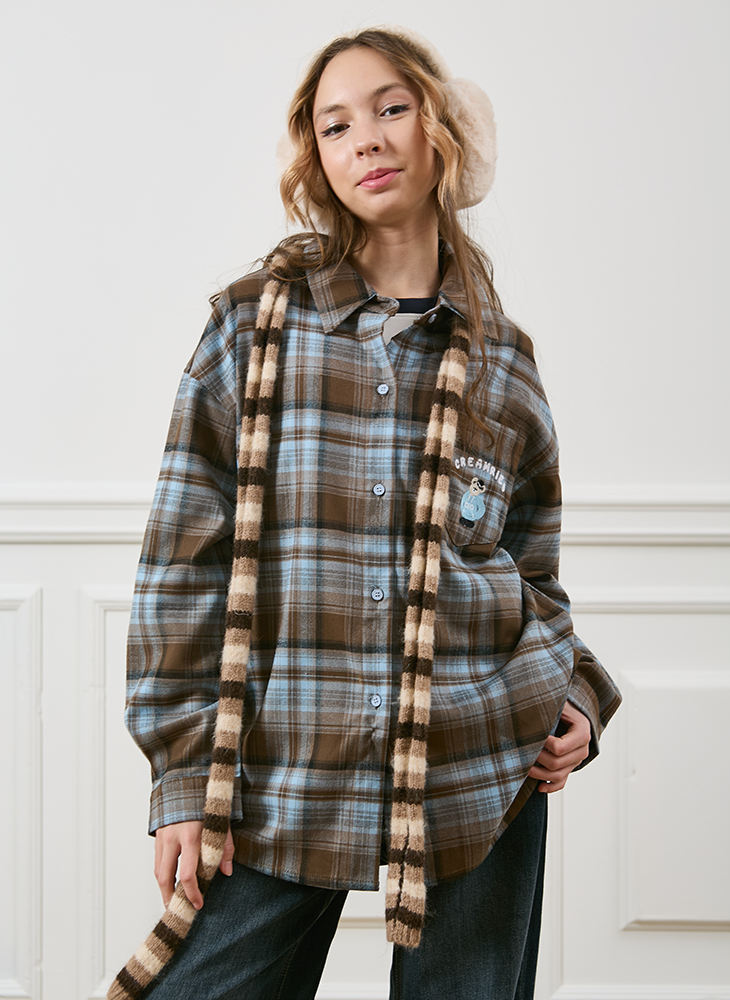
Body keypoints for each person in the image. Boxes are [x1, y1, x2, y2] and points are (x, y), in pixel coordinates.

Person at [109, 26, 621, 1000]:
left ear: (443, 131)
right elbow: (181, 562)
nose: (368, 139)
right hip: (285, 764)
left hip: (479, 766)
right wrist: (180, 778)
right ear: (317, 158)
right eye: (335, 125)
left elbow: (533, 574)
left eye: (391, 108)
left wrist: (581, 699)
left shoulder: (504, 360)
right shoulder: (252, 329)